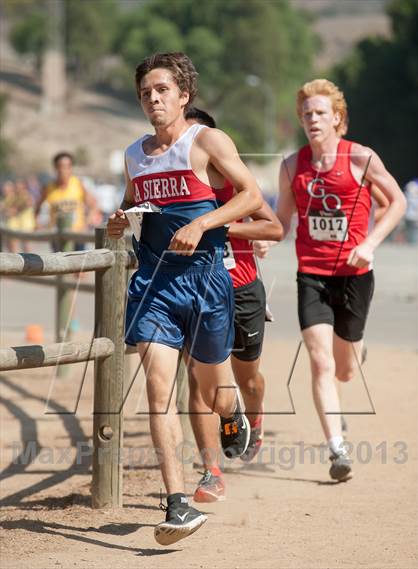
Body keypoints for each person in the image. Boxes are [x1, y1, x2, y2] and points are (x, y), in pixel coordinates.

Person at [106, 52, 263, 545]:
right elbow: (135, 205)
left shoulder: (207, 141)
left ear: (183, 95)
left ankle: (233, 414)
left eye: (162, 90)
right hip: (154, 285)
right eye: (145, 93)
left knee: (214, 388)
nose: (153, 98)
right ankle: (176, 504)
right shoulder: (134, 154)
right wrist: (120, 218)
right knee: (157, 389)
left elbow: (251, 195)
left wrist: (202, 222)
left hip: (206, 281)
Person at [277, 79, 406, 482]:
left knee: (345, 370)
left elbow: (397, 202)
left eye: (319, 113)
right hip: (311, 273)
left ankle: (356, 349)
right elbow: (281, 222)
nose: (312, 119)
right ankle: (338, 450)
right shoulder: (291, 166)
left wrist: (369, 243)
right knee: (320, 361)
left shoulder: (361, 158)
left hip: (354, 274)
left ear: (337, 118)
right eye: (306, 114)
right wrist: (257, 239)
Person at [184, 107, 283, 502]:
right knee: (197, 378)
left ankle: (252, 418)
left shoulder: (233, 182)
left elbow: (273, 227)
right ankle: (211, 472)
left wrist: (218, 226)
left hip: (241, 291)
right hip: (197, 290)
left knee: (249, 379)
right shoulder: (177, 186)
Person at [35, 152, 99, 251]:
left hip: (77, 235)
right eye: (60, 166)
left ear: (71, 168)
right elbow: (37, 206)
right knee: (58, 264)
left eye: (67, 166)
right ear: (55, 168)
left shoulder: (78, 184)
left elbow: (93, 205)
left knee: (79, 265)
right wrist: (37, 224)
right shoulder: (49, 187)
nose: (63, 170)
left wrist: (87, 223)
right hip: (57, 236)